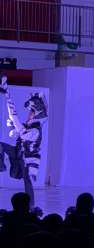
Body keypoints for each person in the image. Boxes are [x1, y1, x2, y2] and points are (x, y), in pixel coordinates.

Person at [0, 76, 48, 209]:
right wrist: (13, 126)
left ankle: (31, 204)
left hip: (26, 159)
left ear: (36, 115)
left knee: (27, 181)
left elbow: (15, 120)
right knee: (1, 145)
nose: (29, 115)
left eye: (31, 113)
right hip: (18, 153)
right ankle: (1, 165)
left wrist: (8, 95)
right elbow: (16, 129)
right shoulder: (29, 127)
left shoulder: (35, 131)